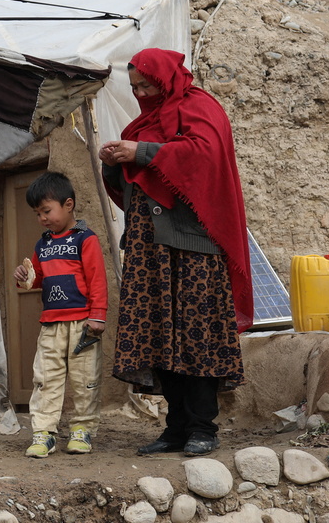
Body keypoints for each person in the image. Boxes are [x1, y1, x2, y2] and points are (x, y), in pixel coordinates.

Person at [99, 48, 252, 457]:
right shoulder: (143, 123)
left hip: (194, 249)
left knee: (197, 336)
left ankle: (204, 427)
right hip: (149, 251)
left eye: (146, 84)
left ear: (166, 79)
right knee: (160, 336)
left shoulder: (201, 108)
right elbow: (133, 185)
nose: (141, 93)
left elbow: (203, 156)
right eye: (133, 87)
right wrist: (114, 163)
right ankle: (175, 429)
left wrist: (142, 152)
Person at [12, 171, 108, 458]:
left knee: (85, 379)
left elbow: (97, 279)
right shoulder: (43, 245)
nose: (42, 218)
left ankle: (82, 429)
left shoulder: (85, 240)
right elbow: (36, 278)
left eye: (46, 210)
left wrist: (98, 315)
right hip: (51, 325)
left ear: (68, 205)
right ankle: (44, 432)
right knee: (46, 378)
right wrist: (24, 276)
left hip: (83, 325)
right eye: (37, 213)